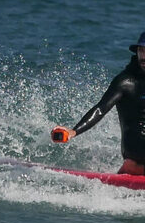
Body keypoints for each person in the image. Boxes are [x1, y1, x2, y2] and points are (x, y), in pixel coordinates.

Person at [51, 31, 145, 175]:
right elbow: (100, 109)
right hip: (135, 151)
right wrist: (73, 131)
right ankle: (131, 169)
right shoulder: (126, 82)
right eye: (141, 50)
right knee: (134, 164)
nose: (143, 56)